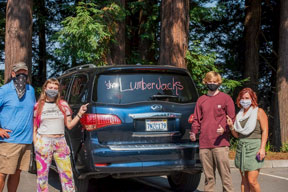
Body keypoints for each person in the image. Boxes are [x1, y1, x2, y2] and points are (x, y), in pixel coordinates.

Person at [33, 78, 88, 192]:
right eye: (50, 88)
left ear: (58, 91)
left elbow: (69, 125)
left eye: (55, 88)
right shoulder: (38, 106)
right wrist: (36, 144)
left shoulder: (63, 105)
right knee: (42, 179)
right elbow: (34, 127)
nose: (53, 90)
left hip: (60, 143)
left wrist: (80, 113)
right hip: (44, 142)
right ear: (45, 89)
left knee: (67, 176)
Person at [190, 71, 235, 192]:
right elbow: (196, 119)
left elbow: (232, 118)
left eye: (215, 82)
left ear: (219, 82)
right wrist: (194, 132)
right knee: (209, 179)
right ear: (205, 82)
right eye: (210, 81)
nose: (212, 84)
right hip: (204, 144)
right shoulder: (201, 100)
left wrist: (225, 128)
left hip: (220, 144)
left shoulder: (226, 98)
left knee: (226, 177)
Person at [0, 62, 36, 192]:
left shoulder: (30, 90)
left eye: (24, 72)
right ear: (13, 74)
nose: (22, 74)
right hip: (9, 140)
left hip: (26, 141)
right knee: (2, 173)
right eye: (19, 72)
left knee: (17, 173)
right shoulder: (4, 91)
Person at [226, 88, 268, 192]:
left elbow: (265, 131)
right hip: (242, 147)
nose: (244, 100)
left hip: (254, 147)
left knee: (252, 181)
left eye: (247, 98)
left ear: (252, 99)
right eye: (242, 98)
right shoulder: (239, 115)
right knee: (244, 180)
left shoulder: (259, 112)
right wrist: (231, 126)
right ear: (239, 100)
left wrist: (262, 148)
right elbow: (237, 135)